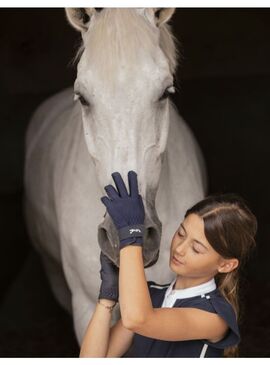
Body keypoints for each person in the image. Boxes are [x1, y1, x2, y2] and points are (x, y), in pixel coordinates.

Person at [79, 170, 257, 358]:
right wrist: (107, 298)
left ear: (226, 265)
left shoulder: (216, 316)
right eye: (181, 233)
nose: (179, 249)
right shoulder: (152, 295)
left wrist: (130, 235)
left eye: (196, 248)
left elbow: (138, 319)